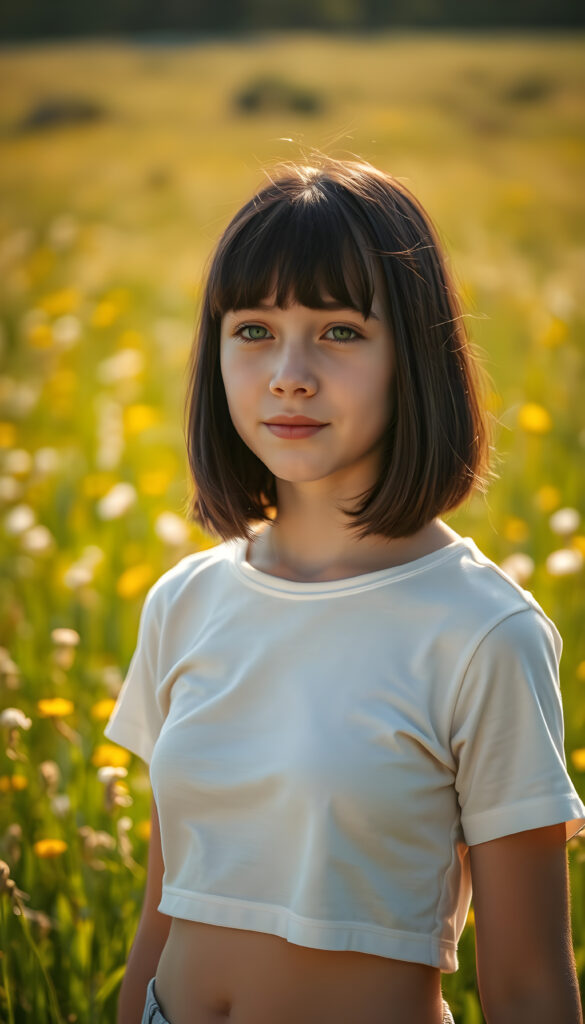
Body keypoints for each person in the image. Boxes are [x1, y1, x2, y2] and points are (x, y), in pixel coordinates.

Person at [104, 154, 585, 1024]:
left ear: (415, 356)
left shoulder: (483, 633)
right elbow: (163, 910)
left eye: (339, 331)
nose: (288, 373)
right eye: (254, 329)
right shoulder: (184, 601)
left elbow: (526, 987)